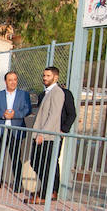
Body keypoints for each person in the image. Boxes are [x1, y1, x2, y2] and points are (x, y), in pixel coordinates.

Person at [0, 70, 31, 193]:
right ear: (5, 81)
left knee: (16, 158)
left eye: (15, 79)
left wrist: (15, 115)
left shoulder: (24, 95)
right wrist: (3, 115)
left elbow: (27, 110)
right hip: (0, 130)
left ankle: (17, 184)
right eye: (10, 80)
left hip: (15, 130)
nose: (13, 82)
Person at [28, 65, 65, 203]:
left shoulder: (57, 92)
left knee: (45, 164)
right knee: (36, 162)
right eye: (44, 75)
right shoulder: (46, 92)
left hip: (47, 136)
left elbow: (54, 115)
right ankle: (46, 189)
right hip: (40, 134)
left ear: (55, 77)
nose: (45, 78)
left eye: (48, 76)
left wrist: (42, 133)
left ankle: (47, 193)